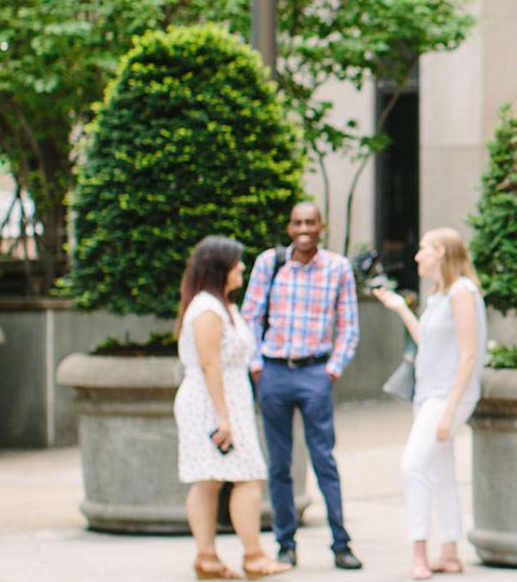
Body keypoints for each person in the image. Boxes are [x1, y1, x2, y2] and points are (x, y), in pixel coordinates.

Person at [242, 203, 364, 571]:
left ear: (321, 227)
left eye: (310, 222)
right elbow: (249, 316)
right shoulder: (270, 263)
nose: (304, 229)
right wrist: (257, 366)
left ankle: (341, 544)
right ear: (289, 227)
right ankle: (285, 544)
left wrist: (332, 370)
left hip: (315, 373)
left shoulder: (337, 268)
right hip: (274, 372)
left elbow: (349, 326)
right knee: (279, 464)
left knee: (324, 459)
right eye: (297, 222)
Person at [372, 227, 488, 580]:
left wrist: (450, 409)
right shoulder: (440, 295)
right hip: (430, 394)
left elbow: (469, 355)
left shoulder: (462, 292)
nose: (417, 256)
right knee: (439, 472)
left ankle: (420, 553)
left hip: (446, 396)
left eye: (423, 249)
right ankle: (449, 553)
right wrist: (400, 310)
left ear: (442, 253)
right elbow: (430, 343)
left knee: (412, 465)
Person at [174, 236, 291, 580]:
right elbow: (211, 364)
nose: (242, 267)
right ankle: (251, 555)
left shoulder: (221, 305)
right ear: (221, 268)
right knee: (246, 476)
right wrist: (223, 418)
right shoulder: (208, 310)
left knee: (210, 479)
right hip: (211, 403)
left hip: (225, 399)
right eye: (236, 262)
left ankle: (208, 558)